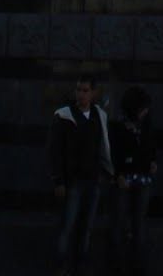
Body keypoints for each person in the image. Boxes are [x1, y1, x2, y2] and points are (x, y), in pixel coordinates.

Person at [49, 74, 113, 276]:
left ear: (93, 93)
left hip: (92, 180)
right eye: (79, 90)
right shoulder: (64, 116)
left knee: (86, 228)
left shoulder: (98, 115)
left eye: (85, 90)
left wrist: (105, 172)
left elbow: (103, 145)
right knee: (67, 226)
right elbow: (55, 150)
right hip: (73, 181)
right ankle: (61, 267)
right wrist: (58, 180)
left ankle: (80, 266)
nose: (81, 94)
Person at [108, 85, 156, 275]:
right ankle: (118, 267)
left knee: (138, 225)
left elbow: (151, 146)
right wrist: (117, 174)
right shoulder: (118, 126)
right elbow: (112, 152)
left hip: (142, 177)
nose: (145, 112)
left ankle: (137, 267)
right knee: (120, 224)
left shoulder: (146, 125)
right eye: (142, 108)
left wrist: (153, 161)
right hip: (124, 178)